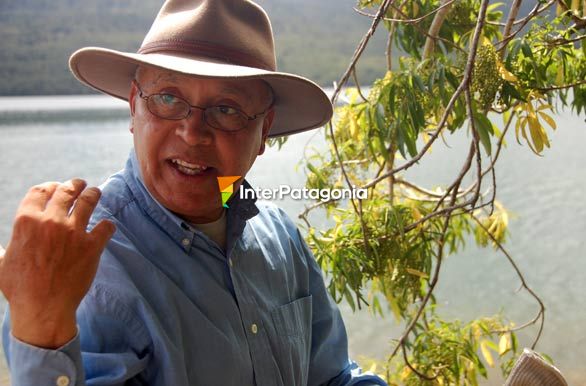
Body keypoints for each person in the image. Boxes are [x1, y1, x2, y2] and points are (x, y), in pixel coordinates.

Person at [0, 1, 388, 385]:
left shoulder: (279, 236)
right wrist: (42, 327)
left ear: (264, 131)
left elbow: (332, 377)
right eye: (168, 98)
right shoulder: (86, 266)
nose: (193, 133)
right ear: (134, 107)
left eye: (226, 109)